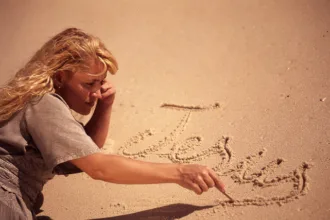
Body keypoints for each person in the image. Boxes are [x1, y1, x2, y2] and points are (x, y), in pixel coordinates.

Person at [0, 28, 225, 219]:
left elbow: (82, 155)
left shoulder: (36, 101)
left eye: (101, 82)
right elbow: (98, 167)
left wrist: (104, 107)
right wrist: (180, 172)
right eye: (88, 84)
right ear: (60, 77)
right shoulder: (44, 103)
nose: (97, 92)